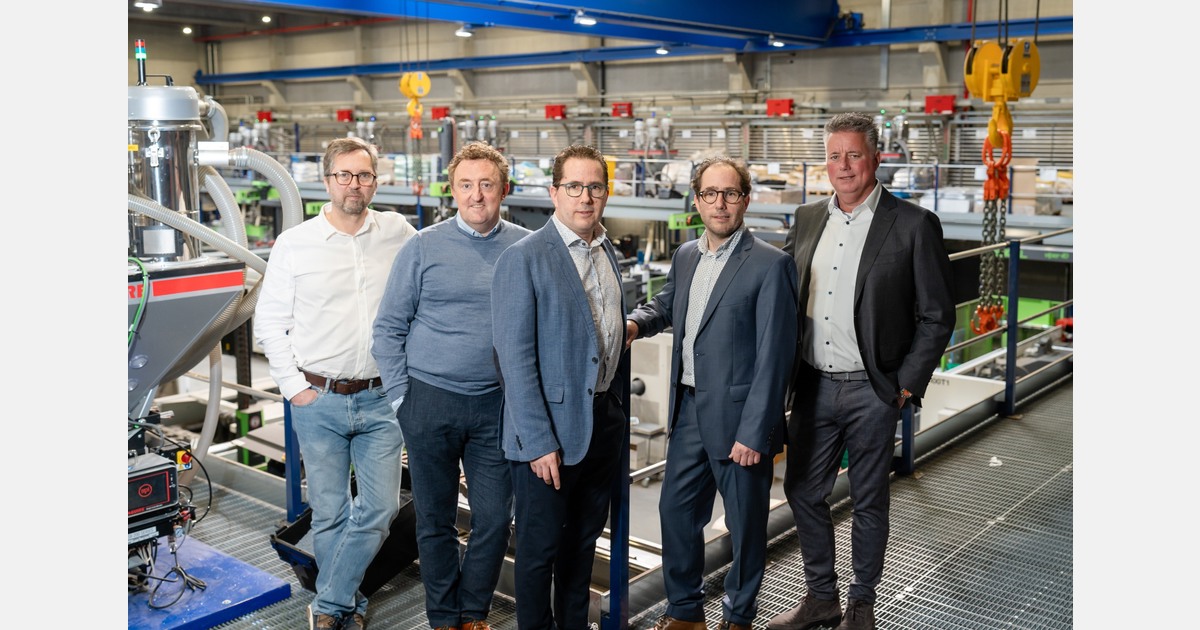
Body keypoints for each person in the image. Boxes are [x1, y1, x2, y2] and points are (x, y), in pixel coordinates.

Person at [766, 112, 955, 630]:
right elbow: (781, 291)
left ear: (876, 158)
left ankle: (862, 606)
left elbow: (937, 315)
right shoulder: (808, 218)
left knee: (869, 499)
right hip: (812, 385)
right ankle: (821, 598)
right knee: (803, 491)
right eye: (834, 156)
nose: (843, 166)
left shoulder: (913, 224)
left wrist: (904, 385)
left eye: (853, 155)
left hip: (874, 389)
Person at [626, 157, 799, 630]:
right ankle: (685, 612)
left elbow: (776, 357)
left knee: (745, 525)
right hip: (689, 409)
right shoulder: (687, 255)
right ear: (697, 200)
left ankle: (739, 616)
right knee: (676, 511)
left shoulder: (771, 264)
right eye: (709, 194)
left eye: (730, 193)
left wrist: (756, 431)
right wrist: (635, 324)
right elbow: (667, 304)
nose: (719, 204)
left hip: (741, 419)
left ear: (746, 199)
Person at [254, 136, 417, 630]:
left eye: (363, 175)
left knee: (381, 509)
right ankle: (347, 605)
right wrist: (294, 389)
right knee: (328, 513)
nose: (354, 184)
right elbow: (269, 323)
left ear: (375, 181)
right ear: (327, 181)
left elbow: (428, 285)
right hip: (318, 399)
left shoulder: (398, 232)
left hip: (380, 398)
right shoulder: (295, 243)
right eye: (344, 175)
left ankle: (328, 605)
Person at [371, 141, 530, 630]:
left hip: (496, 407)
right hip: (428, 402)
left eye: (486, 184)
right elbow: (388, 328)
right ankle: (443, 616)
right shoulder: (423, 246)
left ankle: (472, 612)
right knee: (435, 519)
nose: (476, 195)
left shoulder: (527, 247)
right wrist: (402, 400)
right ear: (453, 191)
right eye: (466, 185)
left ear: (504, 189)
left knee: (494, 519)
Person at [490, 144, 630, 630]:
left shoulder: (606, 250)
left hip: (601, 424)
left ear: (606, 193)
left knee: (582, 545)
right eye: (574, 186)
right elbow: (514, 359)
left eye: (594, 187)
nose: (585, 197)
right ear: (554, 193)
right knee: (538, 551)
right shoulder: (523, 258)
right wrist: (538, 441)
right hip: (546, 437)